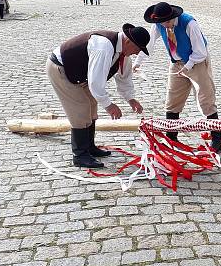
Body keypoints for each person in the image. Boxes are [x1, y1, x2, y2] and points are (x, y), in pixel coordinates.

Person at [47, 24, 150, 168]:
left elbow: (124, 78)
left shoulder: (123, 53)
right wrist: (109, 105)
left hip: (80, 74)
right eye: (137, 49)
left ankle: (89, 147)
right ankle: (80, 155)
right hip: (62, 69)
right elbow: (95, 83)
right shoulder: (104, 47)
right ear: (128, 42)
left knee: (92, 105)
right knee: (81, 109)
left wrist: (131, 99)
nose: (136, 53)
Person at [134, 2, 221, 151]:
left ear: (173, 17)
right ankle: (171, 137)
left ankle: (217, 139)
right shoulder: (158, 24)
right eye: (162, 23)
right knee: (172, 100)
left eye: (167, 22)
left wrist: (187, 67)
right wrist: (137, 63)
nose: (165, 25)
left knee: (206, 100)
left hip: (197, 62)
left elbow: (200, 52)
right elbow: (148, 45)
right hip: (176, 62)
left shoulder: (189, 23)